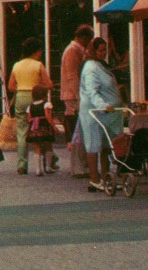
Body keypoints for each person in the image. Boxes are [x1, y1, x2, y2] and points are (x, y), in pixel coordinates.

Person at [79, 37, 125, 192]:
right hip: (94, 112)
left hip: (106, 114)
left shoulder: (101, 65)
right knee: (93, 144)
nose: (103, 53)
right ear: (93, 50)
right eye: (100, 50)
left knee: (106, 146)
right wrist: (103, 105)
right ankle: (94, 179)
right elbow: (92, 91)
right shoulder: (91, 67)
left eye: (105, 50)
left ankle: (106, 178)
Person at [7, 37, 54, 176]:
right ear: (37, 51)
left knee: (22, 131)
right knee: (42, 128)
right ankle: (47, 161)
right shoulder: (38, 65)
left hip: (21, 96)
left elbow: (10, 86)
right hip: (37, 98)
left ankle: (22, 164)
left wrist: (21, 87)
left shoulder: (16, 65)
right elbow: (49, 84)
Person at [61, 25, 95, 178]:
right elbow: (72, 75)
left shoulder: (77, 50)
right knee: (77, 130)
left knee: (80, 130)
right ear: (83, 38)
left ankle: (81, 164)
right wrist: (78, 97)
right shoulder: (73, 50)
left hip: (74, 94)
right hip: (73, 95)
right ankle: (78, 166)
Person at [27, 88, 57, 176]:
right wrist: (53, 126)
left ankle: (38, 169)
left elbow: (28, 119)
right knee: (48, 145)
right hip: (45, 127)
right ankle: (48, 166)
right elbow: (48, 116)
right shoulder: (46, 104)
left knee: (37, 147)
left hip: (34, 128)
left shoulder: (30, 106)